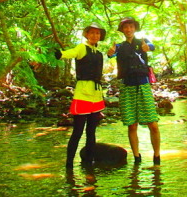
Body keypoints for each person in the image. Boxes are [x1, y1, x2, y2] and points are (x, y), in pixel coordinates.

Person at [107, 17, 161, 165]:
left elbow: (152, 46)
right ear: (123, 30)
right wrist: (110, 52)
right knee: (132, 125)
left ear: (134, 28)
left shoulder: (143, 41)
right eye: (126, 27)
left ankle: (157, 157)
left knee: (153, 124)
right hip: (127, 86)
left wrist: (148, 47)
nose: (128, 29)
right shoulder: (119, 46)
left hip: (143, 85)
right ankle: (137, 157)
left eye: (131, 27)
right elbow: (110, 53)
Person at [55, 22, 106, 170]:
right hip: (82, 93)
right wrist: (60, 54)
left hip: (96, 95)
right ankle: (69, 165)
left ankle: (89, 163)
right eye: (92, 33)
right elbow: (70, 53)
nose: (95, 35)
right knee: (77, 131)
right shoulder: (81, 48)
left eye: (97, 33)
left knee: (91, 132)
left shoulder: (99, 53)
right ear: (87, 34)